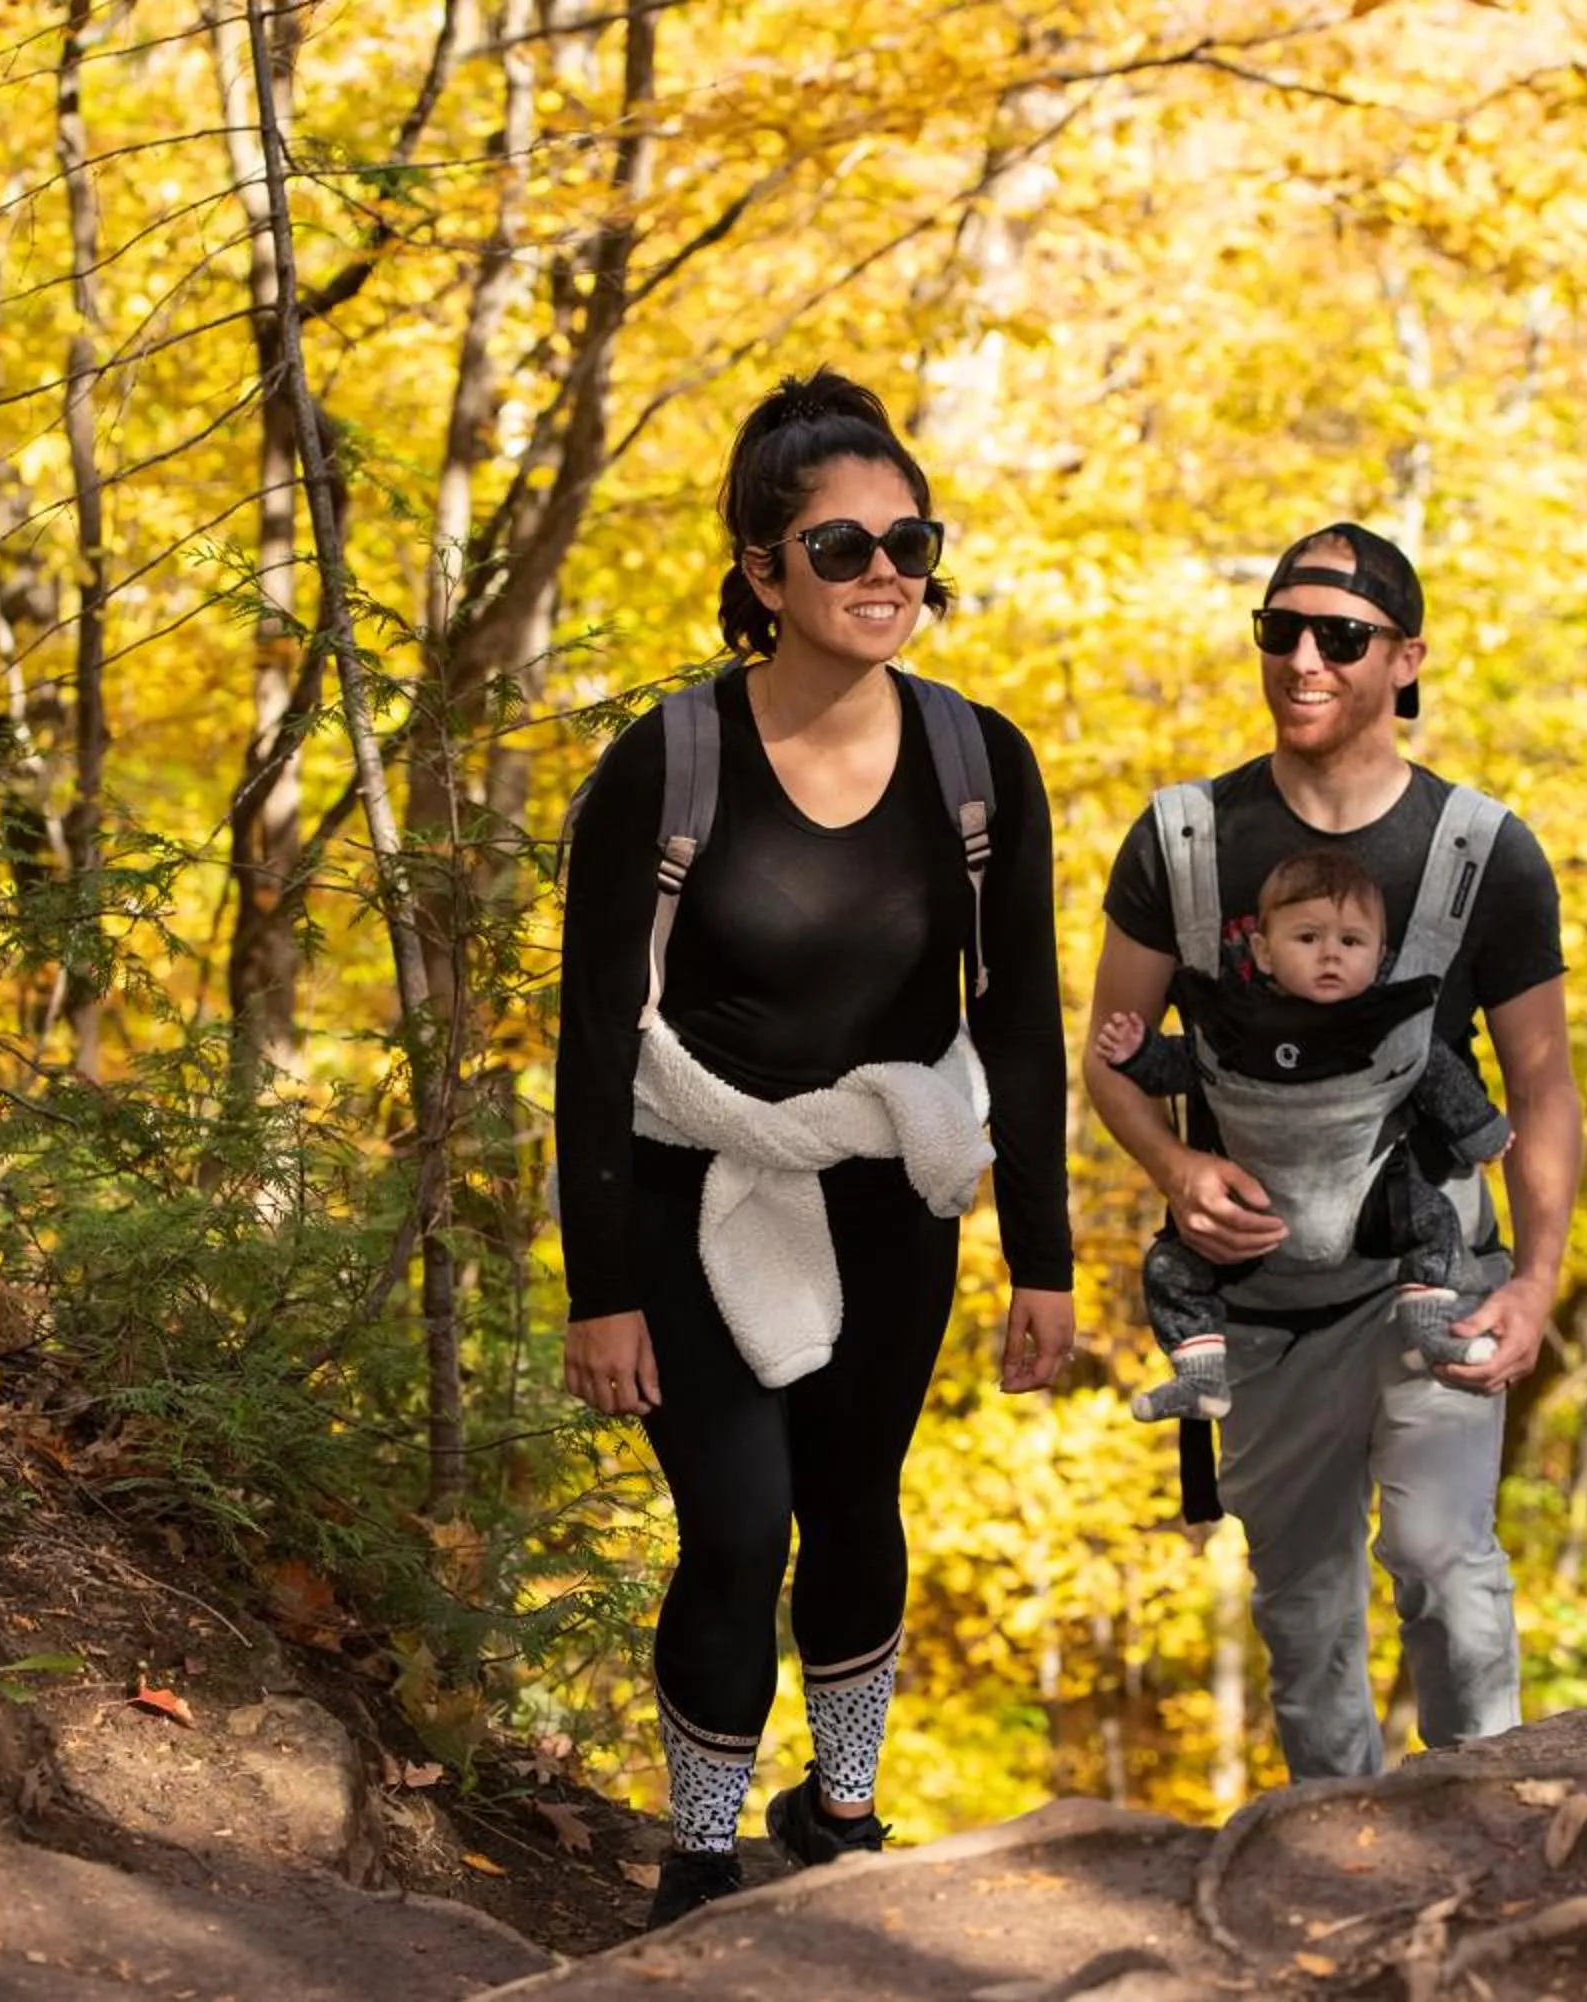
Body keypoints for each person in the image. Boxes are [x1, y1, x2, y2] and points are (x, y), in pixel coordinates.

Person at [554, 369, 1075, 1928]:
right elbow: (592, 1040)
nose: (884, 575)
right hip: (687, 1187)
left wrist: (1043, 1258)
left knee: (856, 1501)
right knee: (737, 1523)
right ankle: (701, 1853)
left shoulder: (983, 762)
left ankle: (839, 1817)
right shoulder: (673, 760)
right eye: (838, 548)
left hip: (891, 1191)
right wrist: (599, 1289)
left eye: (906, 540)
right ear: (761, 573)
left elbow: (1027, 1023)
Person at [1083, 522, 1578, 1781]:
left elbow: (1542, 1081)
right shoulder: (1184, 840)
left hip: (1434, 1273)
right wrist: (1176, 1171)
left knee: (1436, 1554)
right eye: (1279, 630)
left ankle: (1492, 1819)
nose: (1302, 659)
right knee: (1303, 1613)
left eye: (1340, 637)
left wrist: (1537, 1282)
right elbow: (1108, 1053)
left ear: (1404, 658)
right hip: (1260, 1306)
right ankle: (1338, 1880)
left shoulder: (1485, 851)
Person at [1090, 843, 1512, 1426]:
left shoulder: (1394, 1023)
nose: (1330, 955)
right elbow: (1187, 1064)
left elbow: (1436, 1075)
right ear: (1263, 951)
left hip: (1368, 1207)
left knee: (1434, 1217)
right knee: (1169, 1267)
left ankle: (1432, 1327)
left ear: (1378, 954)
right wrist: (1139, 1054)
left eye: (1351, 942)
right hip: (1254, 1215)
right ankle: (1200, 1375)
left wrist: (1482, 1132)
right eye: (1308, 938)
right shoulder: (1233, 1022)